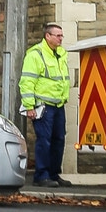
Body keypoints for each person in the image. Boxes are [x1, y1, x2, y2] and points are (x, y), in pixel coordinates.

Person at [19, 20, 71, 187]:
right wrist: (29, 106)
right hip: (43, 106)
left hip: (58, 105)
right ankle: (41, 176)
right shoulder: (35, 55)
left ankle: (54, 174)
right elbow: (27, 81)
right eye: (58, 35)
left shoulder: (60, 54)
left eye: (62, 36)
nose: (61, 39)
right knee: (44, 141)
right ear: (47, 36)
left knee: (59, 140)